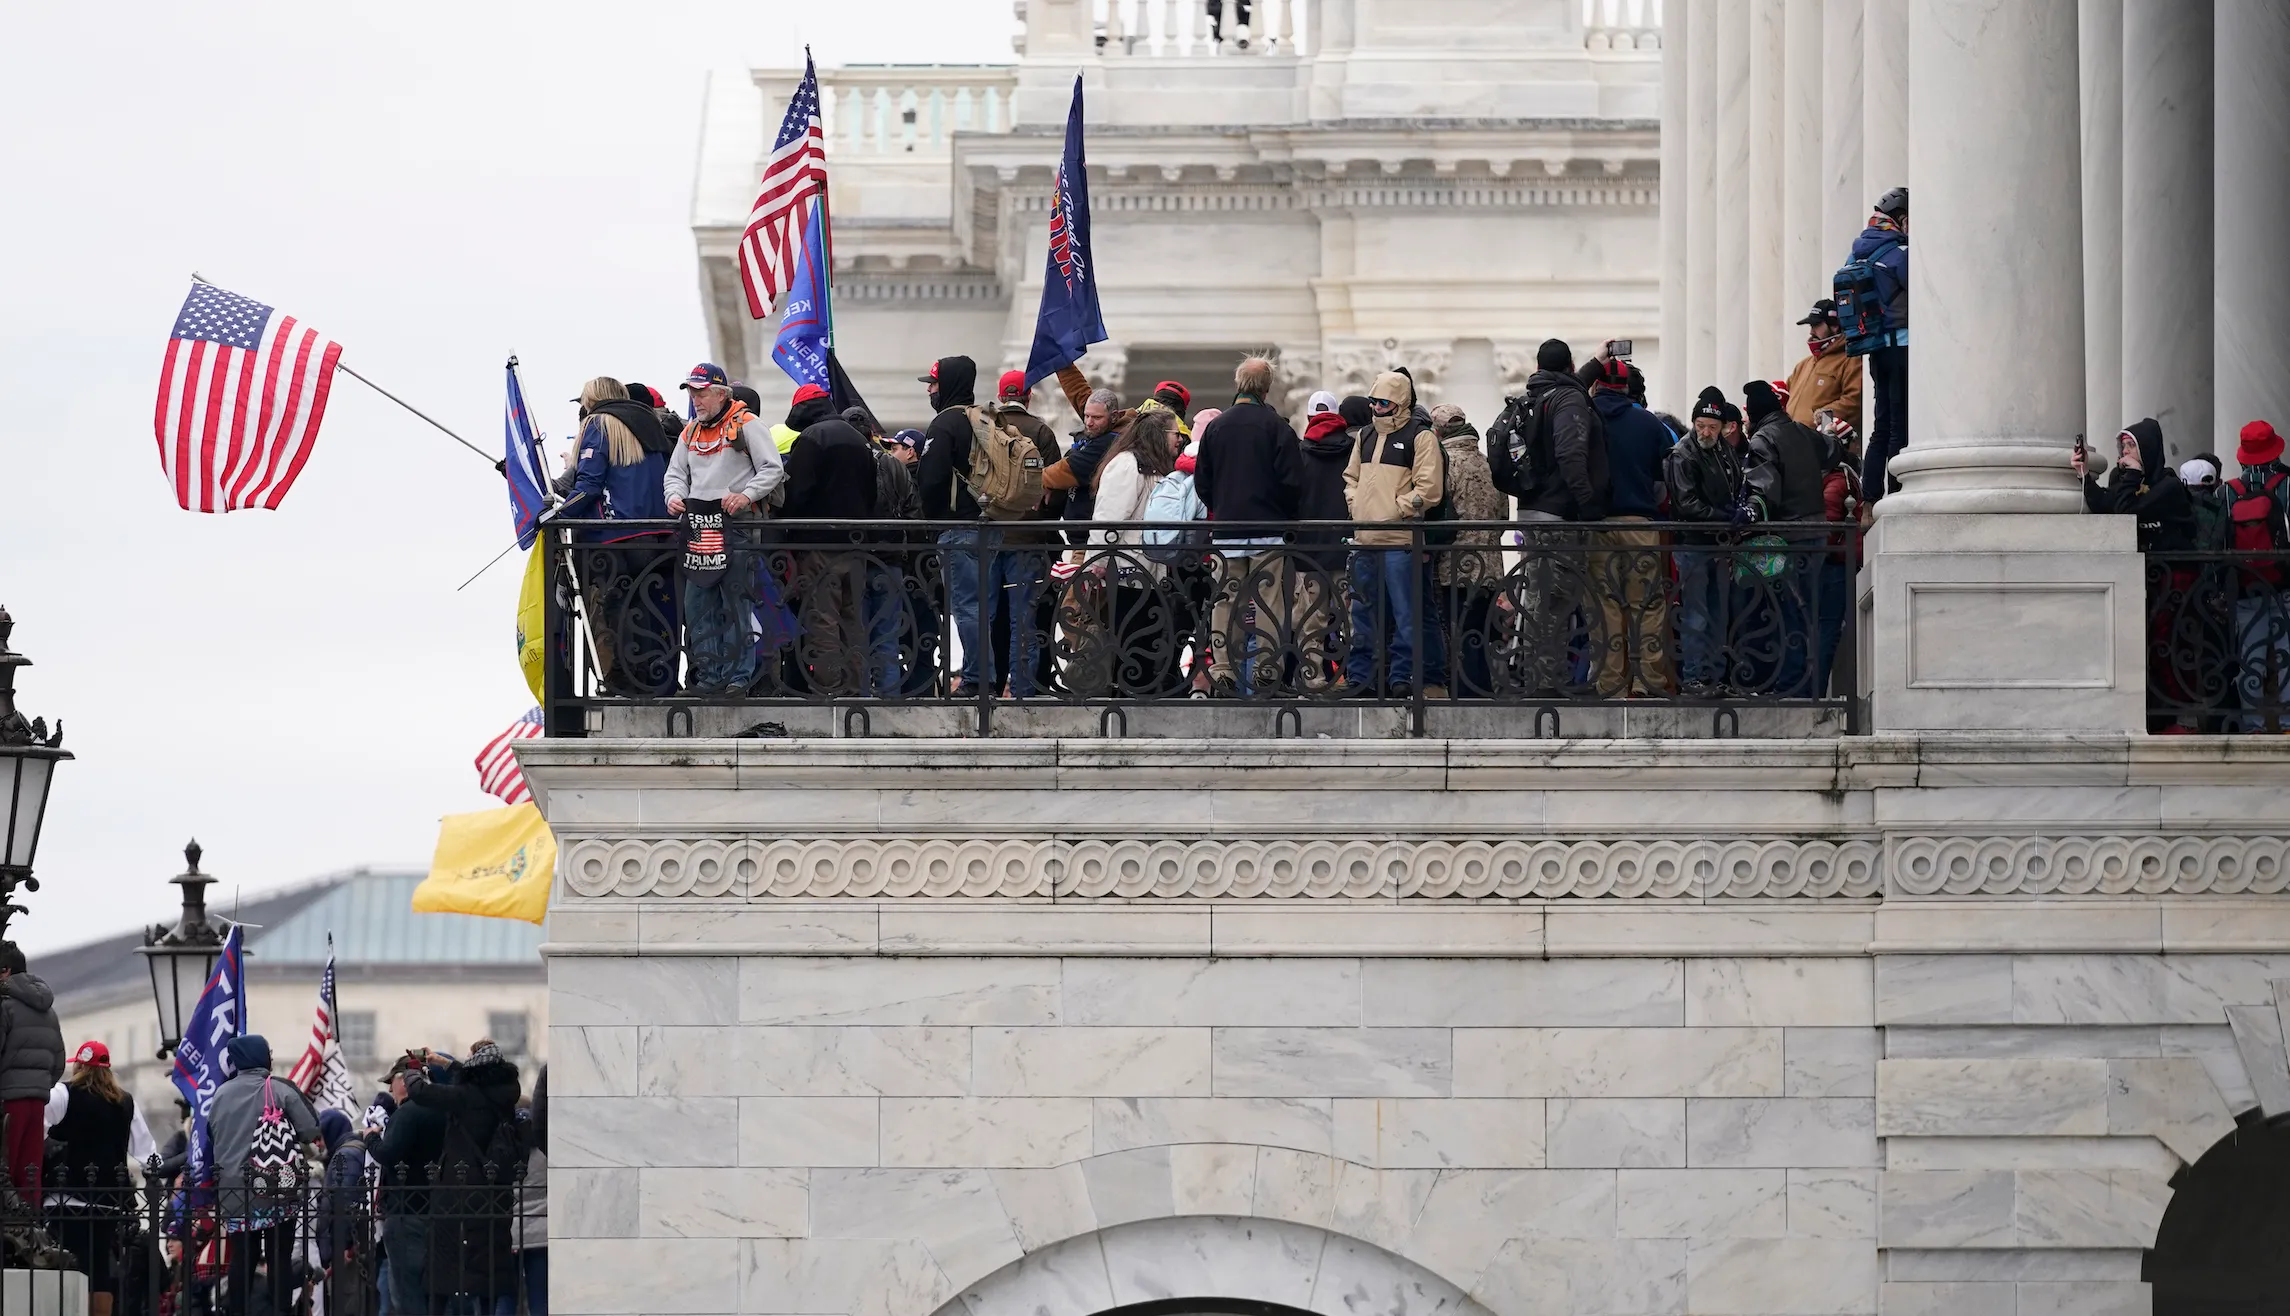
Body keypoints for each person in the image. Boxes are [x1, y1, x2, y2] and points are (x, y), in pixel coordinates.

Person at [916, 356, 1045, 697]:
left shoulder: (945, 423)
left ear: (947, 384)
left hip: (958, 528)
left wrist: (929, 522)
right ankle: (986, 676)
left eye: (933, 384)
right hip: (989, 526)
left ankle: (977, 680)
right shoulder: (981, 419)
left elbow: (930, 478)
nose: (930, 390)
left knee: (968, 607)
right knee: (982, 608)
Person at [1489, 339, 1609, 694]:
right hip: (1557, 515)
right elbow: (1571, 453)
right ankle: (1543, 682)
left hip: (1531, 509)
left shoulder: (1534, 395)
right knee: (1552, 601)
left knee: (1539, 596)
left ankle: (1535, 675)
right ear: (1569, 365)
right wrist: (1588, 505)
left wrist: (1597, 364)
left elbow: (1566, 386)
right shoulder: (1568, 399)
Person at [665, 363, 788, 695]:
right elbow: (674, 474)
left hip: (737, 529)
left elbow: (772, 468)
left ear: (721, 394)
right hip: (698, 530)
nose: (695, 399)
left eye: (701, 392)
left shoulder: (748, 424)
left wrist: (746, 496)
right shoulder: (689, 431)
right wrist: (674, 496)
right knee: (698, 606)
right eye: (692, 392)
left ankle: (738, 677)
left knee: (735, 605)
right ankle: (708, 676)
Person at [1191, 357, 1304, 694]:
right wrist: (1283, 514)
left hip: (1228, 529)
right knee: (1270, 602)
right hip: (1268, 528)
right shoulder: (1277, 427)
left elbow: (1203, 481)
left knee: (1226, 599)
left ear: (1238, 384)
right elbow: (1293, 482)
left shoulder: (1216, 427)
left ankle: (1223, 668)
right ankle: (1267, 666)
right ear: (1267, 389)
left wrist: (1221, 507)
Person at [2078, 418, 2197, 732]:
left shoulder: (2168, 486)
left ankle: (2181, 716)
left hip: (2174, 579)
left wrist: (2129, 477)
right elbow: (2108, 505)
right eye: (2124, 446)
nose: (2126, 452)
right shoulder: (2125, 479)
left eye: (2132, 446)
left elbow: (2130, 510)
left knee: (2169, 644)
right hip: (2141, 578)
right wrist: (2085, 477)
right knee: (2138, 645)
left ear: (2148, 449)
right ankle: (2151, 714)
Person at [562, 377, 677, 696]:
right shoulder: (649, 421)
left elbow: (589, 484)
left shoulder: (599, 423)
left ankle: (627, 678)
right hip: (655, 532)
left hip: (613, 532)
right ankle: (655, 677)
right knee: (649, 607)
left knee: (618, 608)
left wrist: (557, 516)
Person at [1341, 370, 1444, 698]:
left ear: (1399, 402)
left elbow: (1429, 490)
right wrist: (1358, 506)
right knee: (1362, 615)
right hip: (1365, 540)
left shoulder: (1421, 436)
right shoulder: (1365, 436)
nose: (1376, 407)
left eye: (1383, 401)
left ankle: (1402, 677)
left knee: (1406, 615)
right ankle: (1361, 676)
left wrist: (1393, 510)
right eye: (1373, 400)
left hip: (1400, 542)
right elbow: (1350, 478)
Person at [402, 1042, 525, 1316]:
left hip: (457, 1193)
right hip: (494, 1193)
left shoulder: (466, 1097)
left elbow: (420, 1092)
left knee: (444, 1266)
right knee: (487, 1268)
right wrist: (444, 1063)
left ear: (476, 1070)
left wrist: (412, 1070)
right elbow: (471, 1080)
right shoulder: (506, 1093)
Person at [1071, 408, 1184, 696]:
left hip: (1148, 570)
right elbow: (1109, 518)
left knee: (1145, 637)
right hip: (1126, 570)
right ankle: (1128, 699)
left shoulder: (1153, 467)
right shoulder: (1127, 465)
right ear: (1158, 436)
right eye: (1175, 434)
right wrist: (1096, 561)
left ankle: (1140, 695)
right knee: (1130, 637)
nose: (1179, 440)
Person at [205, 1034, 321, 1316]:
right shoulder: (279, 1089)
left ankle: (236, 1311)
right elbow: (311, 1129)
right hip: (275, 1186)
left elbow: (210, 1134)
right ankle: (279, 1312)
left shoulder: (220, 1094)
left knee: (242, 1258)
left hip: (234, 1191)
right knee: (278, 1256)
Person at [778, 384, 882, 695]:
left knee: (822, 618)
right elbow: (872, 495)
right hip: (855, 545)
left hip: (818, 546)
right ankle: (853, 689)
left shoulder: (812, 438)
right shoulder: (859, 440)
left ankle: (830, 690)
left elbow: (795, 493)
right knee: (851, 620)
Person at [43, 1041, 156, 1316]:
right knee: (99, 1270)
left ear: (79, 1066)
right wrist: (156, 1178)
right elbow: (146, 1152)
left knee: (64, 1264)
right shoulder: (125, 1101)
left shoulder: (62, 1094)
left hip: (66, 1196)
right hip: (107, 1200)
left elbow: (38, 1129)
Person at [1586, 355, 1674, 697]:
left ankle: (1611, 683)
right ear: (1625, 387)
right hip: (1639, 522)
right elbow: (1663, 476)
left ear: (1597, 385)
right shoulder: (1648, 423)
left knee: (1605, 602)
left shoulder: (1585, 419)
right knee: (1647, 603)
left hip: (1595, 526)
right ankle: (1646, 681)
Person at [1739, 380, 1832, 695]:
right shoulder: (1802, 431)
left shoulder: (1763, 439)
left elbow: (1764, 489)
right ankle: (1808, 684)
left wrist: (1749, 512)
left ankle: (1794, 685)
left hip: (1789, 537)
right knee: (1809, 610)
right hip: (1818, 532)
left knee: (1790, 612)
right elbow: (1833, 450)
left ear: (1755, 413)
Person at [1666, 392, 1747, 695]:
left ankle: (1715, 675)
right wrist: (1721, 517)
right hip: (1694, 542)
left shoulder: (1723, 451)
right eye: (1700, 425)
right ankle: (1694, 677)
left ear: (1724, 427)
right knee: (1697, 613)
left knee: (1717, 612)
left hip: (1719, 543)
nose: (1705, 432)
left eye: (1712, 426)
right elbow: (1686, 502)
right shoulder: (1683, 454)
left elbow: (1736, 483)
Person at [1430, 404, 1506, 697]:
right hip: (1490, 563)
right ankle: (1484, 689)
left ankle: (1464, 693)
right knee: (1480, 632)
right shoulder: (1488, 464)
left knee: (1458, 632)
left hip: (1454, 564)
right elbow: (1502, 516)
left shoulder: (1444, 462)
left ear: (1439, 431)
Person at [2223, 421, 2290, 731]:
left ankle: (2253, 726)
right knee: (2288, 653)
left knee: (2252, 658)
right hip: (2285, 584)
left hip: (2247, 584)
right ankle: (2288, 722)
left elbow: (2221, 542)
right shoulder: (2288, 485)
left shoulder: (2229, 491)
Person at [379, 1051, 448, 1316]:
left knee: (407, 1293)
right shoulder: (442, 1110)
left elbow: (388, 1153)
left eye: (390, 1082)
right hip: (439, 1207)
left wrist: (373, 1138)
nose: (389, 1090)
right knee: (437, 1291)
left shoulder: (407, 1113)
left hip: (407, 1210)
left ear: (403, 1080)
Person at [1852, 187, 1910, 501]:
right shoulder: (1899, 251)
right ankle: (1898, 494)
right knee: (1900, 425)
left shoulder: (1860, 248)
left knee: (1881, 424)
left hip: (1873, 347)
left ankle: (1870, 496)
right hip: (1901, 346)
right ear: (1902, 219)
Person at [0, 941, 63, 1206]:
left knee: (6, 1170)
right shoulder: (48, 1011)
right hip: (37, 1100)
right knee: (29, 1173)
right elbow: (58, 1062)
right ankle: (28, 1229)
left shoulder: (5, 1007)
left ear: (5, 971)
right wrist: (39, 1085)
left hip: (7, 1100)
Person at [320, 1108, 377, 1316]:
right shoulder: (354, 1150)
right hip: (352, 1245)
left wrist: (343, 1246)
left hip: (345, 1251)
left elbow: (346, 1202)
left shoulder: (344, 1155)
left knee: (347, 1303)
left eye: (321, 1136)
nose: (318, 1143)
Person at [1784, 299, 1863, 434]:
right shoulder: (1802, 365)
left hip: (1825, 446)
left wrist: (1825, 420)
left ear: (1834, 326)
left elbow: (1855, 401)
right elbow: (1785, 398)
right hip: (1793, 444)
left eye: (1816, 325)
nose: (1811, 332)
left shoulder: (1851, 360)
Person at [512, 1068, 548, 1316]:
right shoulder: (546, 1150)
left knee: (505, 1298)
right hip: (543, 1233)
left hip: (511, 1232)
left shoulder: (505, 1147)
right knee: (540, 1300)